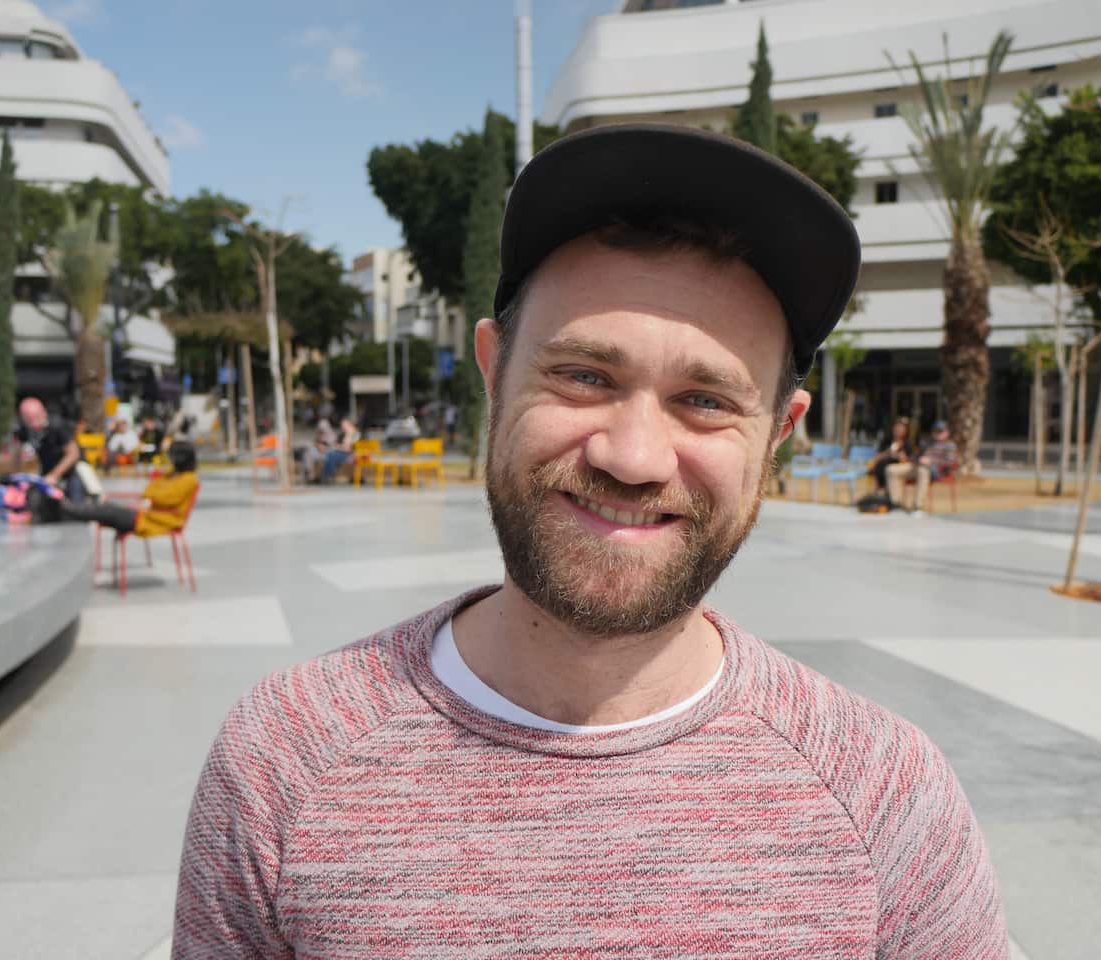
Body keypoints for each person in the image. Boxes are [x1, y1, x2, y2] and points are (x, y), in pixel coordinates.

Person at [172, 125, 1006, 958]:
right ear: (494, 371)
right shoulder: (283, 760)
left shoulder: (887, 796)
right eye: (583, 377)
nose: (634, 458)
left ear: (779, 432)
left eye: (707, 400)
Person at [61, 441, 199, 535]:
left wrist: (150, 499)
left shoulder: (189, 479)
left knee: (109, 511)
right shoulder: (171, 475)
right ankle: (74, 509)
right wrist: (150, 498)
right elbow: (150, 490)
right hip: (146, 514)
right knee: (108, 509)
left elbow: (167, 498)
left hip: (159, 520)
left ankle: (70, 509)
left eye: (172, 456)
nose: (169, 459)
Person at [9, 397, 84, 500]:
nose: (34, 424)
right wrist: (16, 477)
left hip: (72, 471)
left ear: (43, 413)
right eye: (29, 420)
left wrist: (55, 475)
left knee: (76, 500)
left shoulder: (57, 425)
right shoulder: (23, 431)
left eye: (37, 417)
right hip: (47, 471)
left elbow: (73, 454)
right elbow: (17, 455)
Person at [886, 419, 959, 515]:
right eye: (935, 431)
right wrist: (912, 458)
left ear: (947, 432)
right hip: (917, 466)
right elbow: (915, 456)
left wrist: (931, 461)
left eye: (940, 431)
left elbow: (951, 462)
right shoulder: (927, 443)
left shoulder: (950, 445)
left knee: (923, 471)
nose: (937, 433)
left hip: (936, 471)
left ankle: (917, 506)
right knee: (891, 469)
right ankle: (896, 504)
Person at [870, 416, 913, 494]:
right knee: (881, 464)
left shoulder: (907, 444)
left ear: (906, 431)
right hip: (882, 469)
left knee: (889, 468)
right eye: (897, 427)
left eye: (901, 428)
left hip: (898, 470)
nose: (898, 430)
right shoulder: (886, 441)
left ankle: (885, 491)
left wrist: (901, 456)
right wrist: (888, 452)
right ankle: (880, 490)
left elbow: (909, 461)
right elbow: (876, 457)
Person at [320, 415, 360, 484]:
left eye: (344, 424)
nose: (342, 426)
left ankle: (329, 475)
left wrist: (348, 435)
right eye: (342, 424)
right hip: (340, 452)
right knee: (330, 455)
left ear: (349, 424)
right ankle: (328, 475)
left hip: (350, 454)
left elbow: (348, 448)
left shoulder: (355, 434)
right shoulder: (342, 434)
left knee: (331, 456)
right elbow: (337, 444)